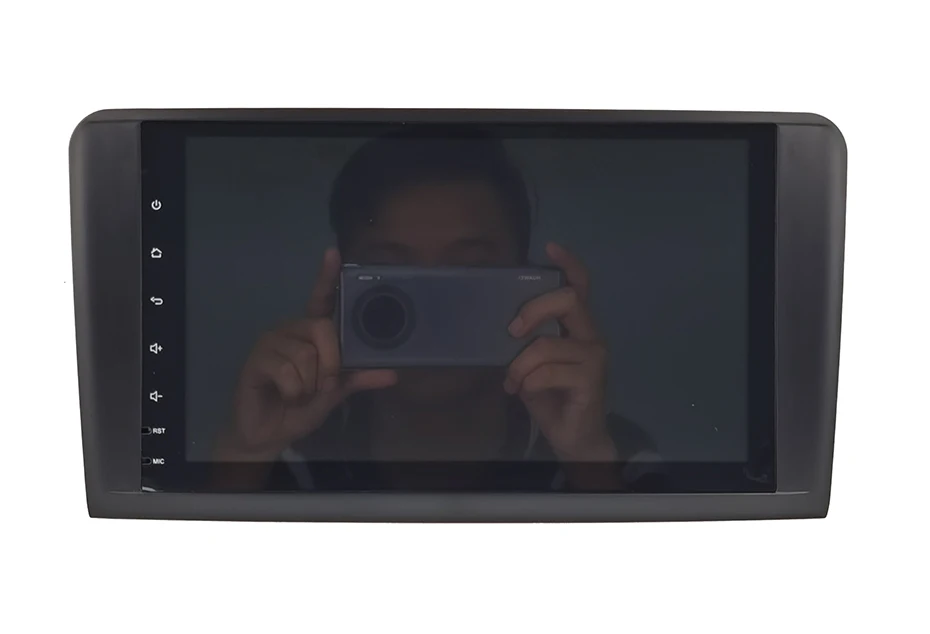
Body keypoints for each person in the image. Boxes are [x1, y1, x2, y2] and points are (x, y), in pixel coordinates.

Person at [211, 126, 664, 492]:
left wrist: (588, 463)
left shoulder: (607, 450)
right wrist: (245, 455)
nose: (435, 314)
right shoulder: (288, 449)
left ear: (526, 284)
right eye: (393, 274)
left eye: (469, 272)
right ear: (342, 288)